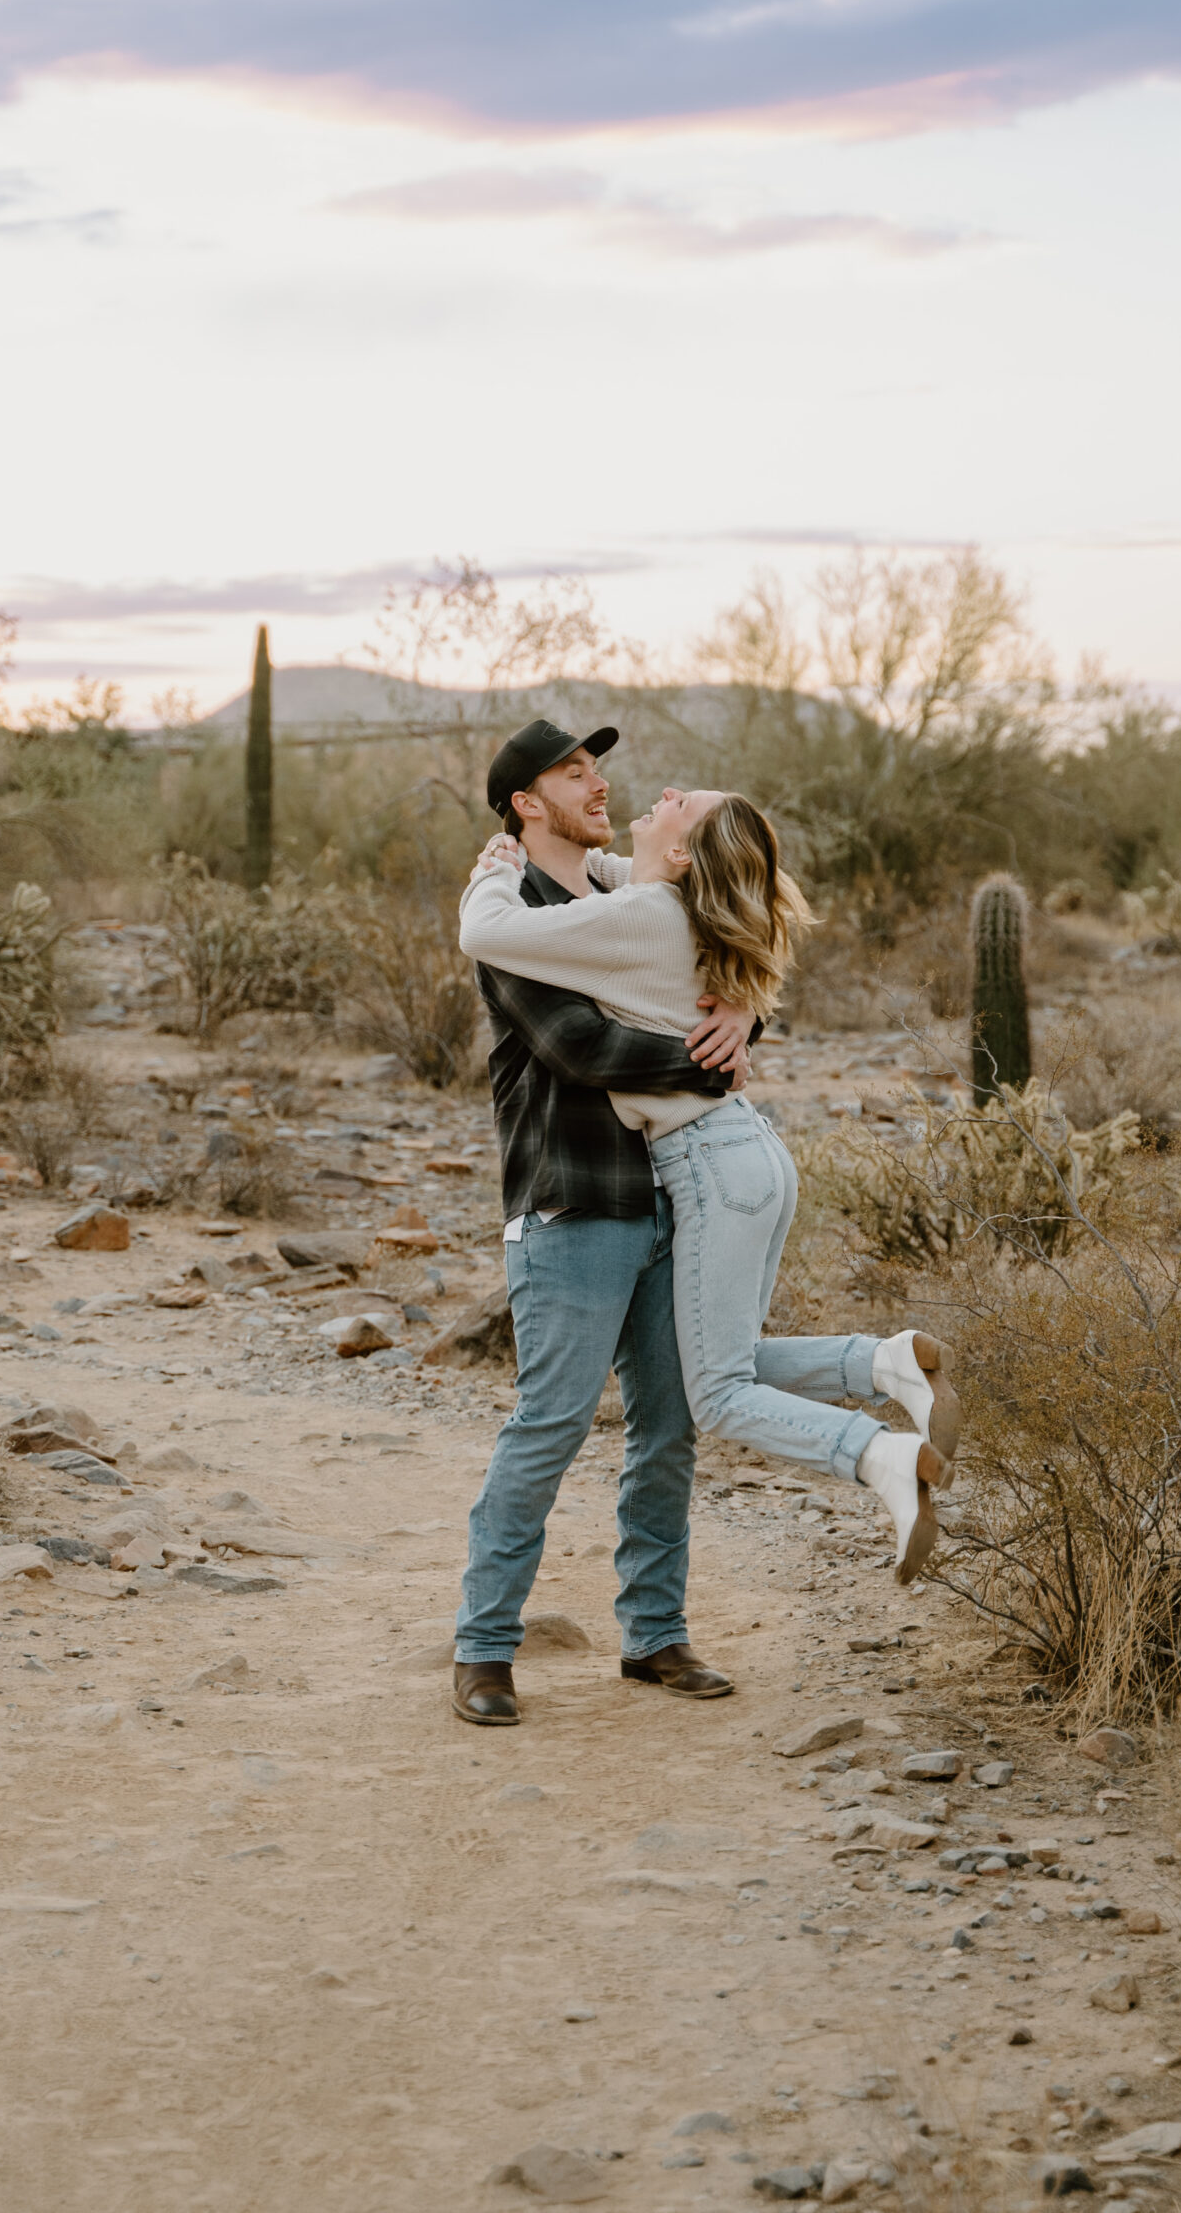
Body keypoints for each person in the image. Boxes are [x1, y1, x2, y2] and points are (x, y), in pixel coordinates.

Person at [458, 780, 961, 1584]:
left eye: (681, 800)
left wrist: (493, 864)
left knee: (718, 1394)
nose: (661, 790)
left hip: (709, 1166)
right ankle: (883, 1365)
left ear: (686, 852)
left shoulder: (642, 914)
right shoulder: (671, 904)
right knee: (721, 1359)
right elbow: (621, 876)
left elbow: (487, 930)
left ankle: (879, 1455)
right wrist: (738, 1022)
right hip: (749, 1156)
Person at [451, 719, 756, 1729]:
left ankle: (654, 1634)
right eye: (570, 770)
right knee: (549, 1425)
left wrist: (743, 1017)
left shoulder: (619, 894)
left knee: (667, 1428)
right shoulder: (522, 916)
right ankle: (485, 1648)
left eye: (597, 764)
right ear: (525, 804)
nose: (598, 781)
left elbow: (723, 941)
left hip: (677, 1195)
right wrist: (709, 1054)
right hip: (573, 1200)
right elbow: (583, 1047)